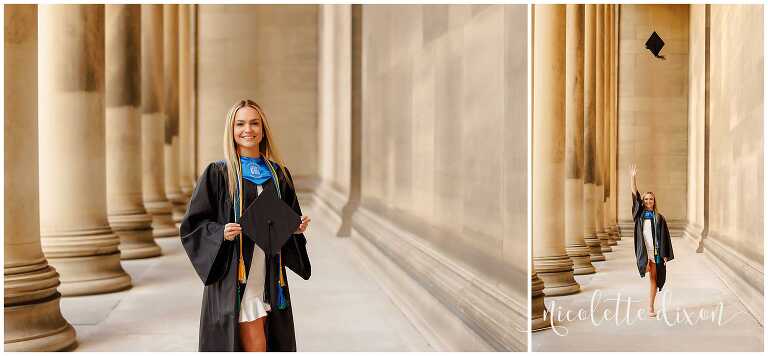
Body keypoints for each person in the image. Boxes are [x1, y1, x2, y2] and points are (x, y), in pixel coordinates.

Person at [180, 99, 312, 351]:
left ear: (263, 130)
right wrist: (221, 233)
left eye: (254, 123)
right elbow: (193, 224)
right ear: (231, 129)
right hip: (235, 268)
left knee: (263, 327)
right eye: (240, 124)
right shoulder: (218, 173)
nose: (247, 129)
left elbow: (286, 218)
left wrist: (294, 229)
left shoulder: (279, 174)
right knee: (253, 334)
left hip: (269, 267)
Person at [629, 163, 674, 318]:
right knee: (646, 271)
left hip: (655, 252)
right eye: (646, 199)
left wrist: (665, 254)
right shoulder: (639, 216)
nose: (648, 201)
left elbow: (665, 237)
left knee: (653, 278)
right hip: (644, 251)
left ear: (654, 201)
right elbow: (634, 195)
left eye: (651, 199)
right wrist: (633, 178)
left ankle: (650, 306)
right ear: (643, 201)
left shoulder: (659, 218)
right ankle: (650, 304)